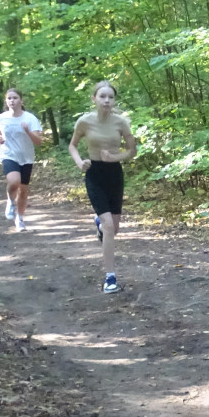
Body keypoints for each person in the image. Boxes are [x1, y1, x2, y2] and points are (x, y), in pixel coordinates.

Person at [67, 81, 137, 293]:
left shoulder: (121, 122)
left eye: (111, 97)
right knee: (109, 226)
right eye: (102, 96)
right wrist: (80, 163)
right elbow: (73, 146)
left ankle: (99, 223)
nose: (107, 101)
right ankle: (110, 277)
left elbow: (132, 150)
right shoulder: (84, 122)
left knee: (113, 229)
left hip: (114, 174)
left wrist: (117, 156)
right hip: (94, 173)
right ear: (94, 99)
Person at [0, 88, 44, 232]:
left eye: (15, 98)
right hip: (8, 154)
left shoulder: (30, 118)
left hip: (26, 158)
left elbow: (39, 141)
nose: (12, 101)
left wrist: (27, 131)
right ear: (6, 101)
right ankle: (10, 200)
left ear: (21, 100)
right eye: (9, 98)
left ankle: (19, 219)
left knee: (24, 190)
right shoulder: (2, 117)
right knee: (14, 181)